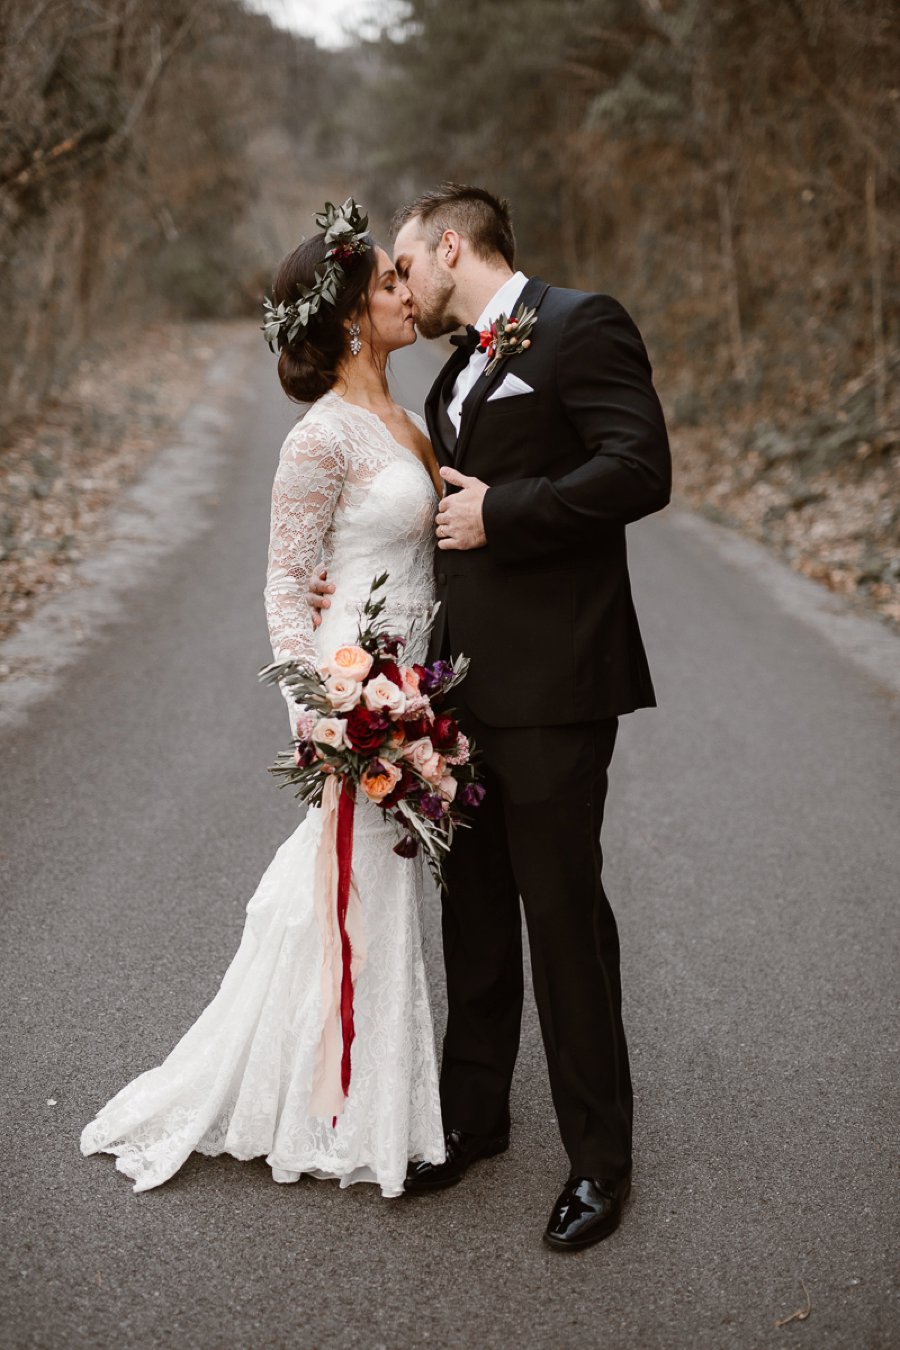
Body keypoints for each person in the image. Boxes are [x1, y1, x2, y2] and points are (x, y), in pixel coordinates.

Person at [311, 183, 671, 1250]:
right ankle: (474, 1120)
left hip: (559, 689)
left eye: (407, 267)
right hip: (458, 701)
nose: (400, 290)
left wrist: (502, 512)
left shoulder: (580, 325)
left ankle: (600, 1162)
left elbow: (639, 467)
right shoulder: (458, 367)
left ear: (451, 245)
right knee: (471, 917)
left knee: (562, 921)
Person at [80, 201, 447, 1197]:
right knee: (353, 881)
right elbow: (286, 587)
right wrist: (320, 706)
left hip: (416, 677)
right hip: (356, 682)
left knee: (381, 885)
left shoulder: (404, 420)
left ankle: (370, 1098)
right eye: (385, 284)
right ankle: (339, 1111)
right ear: (345, 318)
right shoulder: (318, 440)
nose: (404, 292)